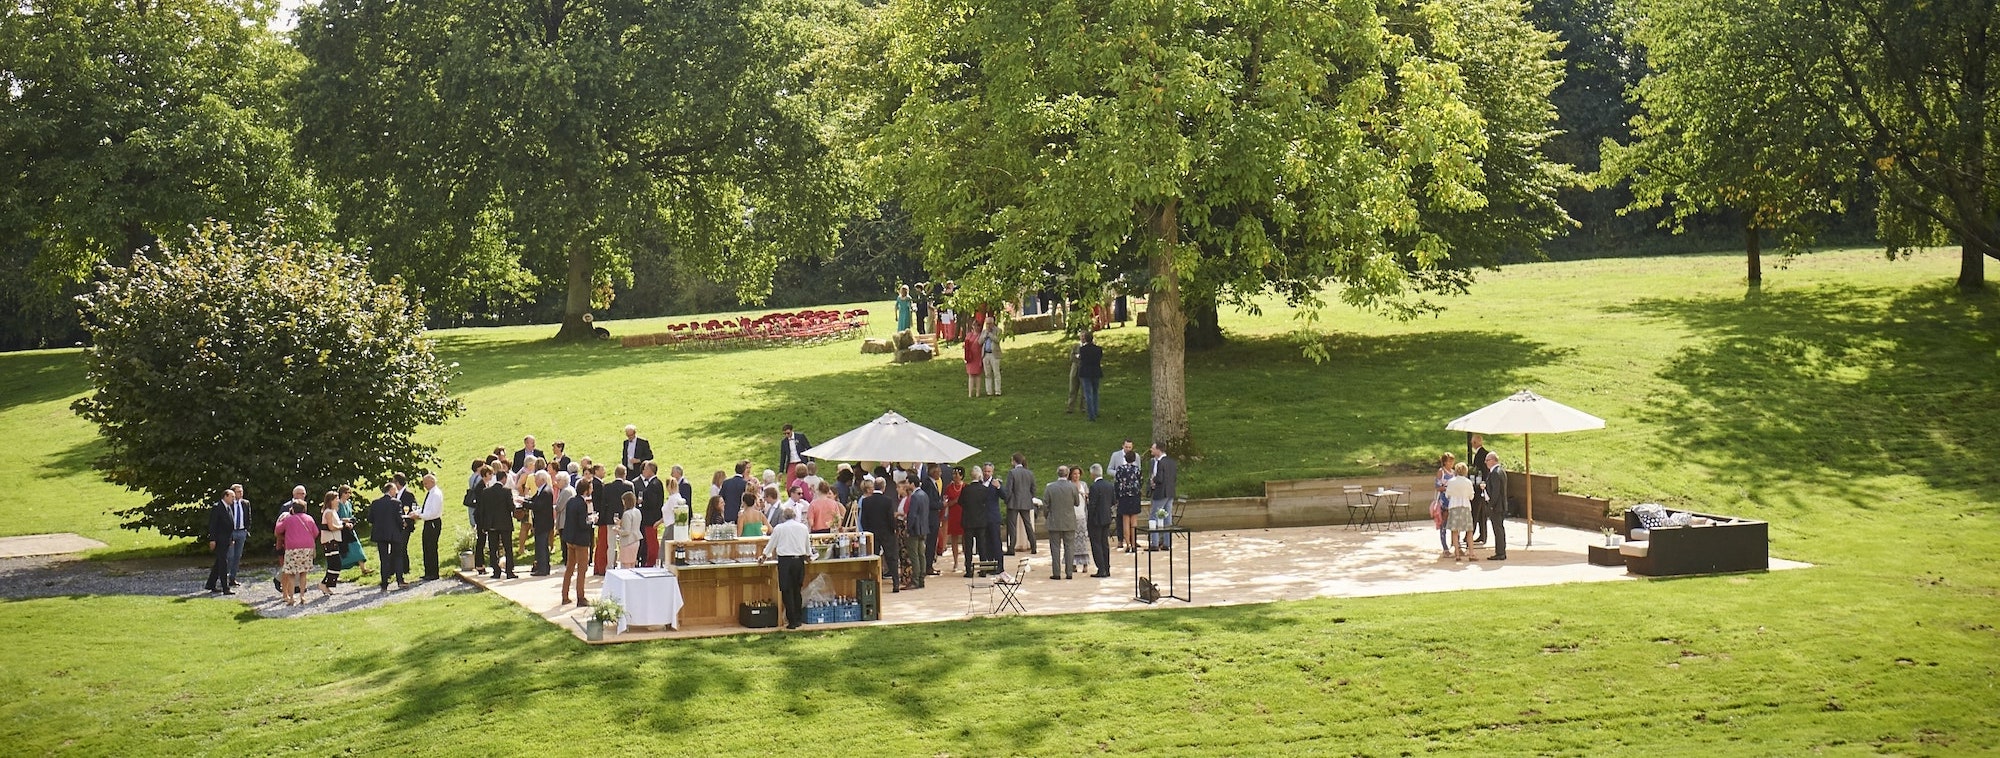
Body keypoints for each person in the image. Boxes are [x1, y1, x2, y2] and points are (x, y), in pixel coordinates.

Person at [760, 509, 813, 629]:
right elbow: (807, 546)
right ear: (794, 516)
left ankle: (792, 620)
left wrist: (764, 556)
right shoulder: (803, 528)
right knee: (797, 590)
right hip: (799, 561)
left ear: (783, 517)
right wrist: (809, 556)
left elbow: (771, 544)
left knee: (786, 591)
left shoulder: (779, 528)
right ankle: (798, 619)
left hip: (785, 561)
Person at [273, 500, 319, 606]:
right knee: (303, 573)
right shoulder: (309, 518)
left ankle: (292, 597)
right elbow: (316, 532)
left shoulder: (289, 519)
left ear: (293, 509)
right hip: (307, 547)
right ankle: (302, 596)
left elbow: (278, 529)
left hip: (292, 548)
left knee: (291, 573)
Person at [474, 465, 518, 579]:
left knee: (493, 549)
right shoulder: (506, 491)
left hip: (492, 524)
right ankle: (509, 571)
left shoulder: (486, 492)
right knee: (508, 548)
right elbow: (511, 507)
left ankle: (496, 571)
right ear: (504, 479)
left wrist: (484, 524)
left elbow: (482, 509)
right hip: (505, 524)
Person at [366, 483, 410, 590]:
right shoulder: (396, 503)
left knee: (383, 559)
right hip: (394, 533)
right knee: (398, 556)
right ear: (390, 490)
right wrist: (403, 524)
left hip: (380, 534)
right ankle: (400, 580)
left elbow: (370, 519)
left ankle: (384, 583)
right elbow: (399, 518)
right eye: (394, 490)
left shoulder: (375, 503)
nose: (396, 492)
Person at [858, 478, 899, 591]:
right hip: (886, 533)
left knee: (873, 558)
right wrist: (893, 529)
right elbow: (890, 518)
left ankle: (874, 583)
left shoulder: (866, 501)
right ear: (884, 487)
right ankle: (896, 583)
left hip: (872, 533)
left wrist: (867, 531)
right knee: (891, 558)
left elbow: (863, 520)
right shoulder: (887, 501)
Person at [561, 478, 595, 606]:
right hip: (581, 540)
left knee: (569, 568)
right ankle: (580, 597)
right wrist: (591, 521)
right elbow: (582, 524)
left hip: (570, 539)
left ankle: (565, 595)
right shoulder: (582, 504)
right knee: (582, 569)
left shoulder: (571, 501)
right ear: (586, 490)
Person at [596, 465, 633, 575]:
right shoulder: (629, 486)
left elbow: (603, 504)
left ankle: (610, 566)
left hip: (610, 518)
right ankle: (623, 566)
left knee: (611, 545)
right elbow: (632, 502)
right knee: (624, 543)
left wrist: (603, 518)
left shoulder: (607, 487)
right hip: (625, 518)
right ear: (624, 474)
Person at [1042, 465, 1079, 579]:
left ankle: (1056, 573)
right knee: (1069, 547)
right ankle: (1069, 573)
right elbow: (1077, 502)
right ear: (1067, 474)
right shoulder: (1072, 487)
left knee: (1055, 547)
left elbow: (1045, 505)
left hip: (1054, 520)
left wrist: (1047, 515)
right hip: (1069, 521)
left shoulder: (1050, 487)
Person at [204, 487, 238, 594]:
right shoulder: (217, 507)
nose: (234, 499)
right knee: (223, 563)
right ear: (226, 496)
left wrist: (231, 538)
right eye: (232, 497)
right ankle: (225, 588)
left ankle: (210, 584)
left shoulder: (228, 507)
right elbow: (213, 524)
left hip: (227, 539)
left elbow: (230, 525)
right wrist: (212, 539)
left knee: (219, 562)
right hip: (219, 540)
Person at [957, 470, 990, 576]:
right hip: (980, 521)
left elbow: (960, 502)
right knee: (982, 546)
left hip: (969, 521)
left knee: (968, 547)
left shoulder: (966, 489)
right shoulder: (984, 490)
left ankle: (968, 569)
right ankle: (983, 569)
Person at [1086, 464, 1116, 577]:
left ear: (1093, 474)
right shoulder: (1109, 485)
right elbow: (1113, 501)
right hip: (1106, 517)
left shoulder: (1094, 487)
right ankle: (1107, 568)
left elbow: (1092, 505)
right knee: (1105, 543)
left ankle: (1101, 568)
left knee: (1096, 544)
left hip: (1096, 519)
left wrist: (1090, 518)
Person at [902, 476, 932, 588]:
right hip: (923, 528)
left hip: (915, 529)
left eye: (907, 482)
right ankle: (921, 579)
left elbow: (912, 515)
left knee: (914, 555)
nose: (906, 485)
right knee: (921, 554)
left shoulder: (914, 496)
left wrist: (908, 528)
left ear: (912, 484)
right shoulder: (924, 495)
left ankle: (915, 580)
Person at [1004, 453, 1036, 555]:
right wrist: (1029, 497)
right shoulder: (1029, 473)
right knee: (1028, 525)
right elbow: (1033, 488)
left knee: (1012, 526)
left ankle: (1011, 548)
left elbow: (1009, 489)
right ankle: (1033, 546)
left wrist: (1006, 499)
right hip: (1026, 502)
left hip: (1013, 502)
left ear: (1014, 461)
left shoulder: (1012, 473)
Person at [1147, 442, 1178, 550]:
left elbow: (1159, 479)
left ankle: (1154, 543)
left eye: (1153, 448)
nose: (1151, 450)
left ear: (1158, 450)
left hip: (1161, 493)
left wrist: (1153, 480)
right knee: (1167, 517)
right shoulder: (1172, 462)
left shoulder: (1160, 462)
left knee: (1154, 517)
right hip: (1170, 492)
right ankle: (1167, 543)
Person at [416, 473, 444, 580]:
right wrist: (418, 512)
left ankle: (433, 573)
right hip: (428, 522)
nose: (425, 486)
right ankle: (428, 571)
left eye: (426, 483)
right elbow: (426, 509)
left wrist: (419, 516)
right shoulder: (430, 493)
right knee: (426, 547)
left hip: (433, 522)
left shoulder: (436, 494)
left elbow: (433, 513)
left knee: (431, 547)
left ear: (432, 482)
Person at [1445, 462, 1476, 561]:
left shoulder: (1451, 481)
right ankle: (1471, 554)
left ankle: (1457, 554)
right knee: (1469, 530)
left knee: (1455, 531)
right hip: (1465, 506)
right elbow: (1471, 496)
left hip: (1454, 506)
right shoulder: (1468, 482)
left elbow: (1447, 495)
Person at [1113, 448, 1142, 552]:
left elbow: (1116, 483)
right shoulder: (1137, 470)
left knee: (1125, 521)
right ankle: (1134, 544)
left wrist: (1116, 497)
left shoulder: (1120, 469)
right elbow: (1140, 482)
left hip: (1123, 497)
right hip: (1134, 496)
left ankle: (1128, 544)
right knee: (1134, 521)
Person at [635, 462, 664, 567]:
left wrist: (642, 502)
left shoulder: (653, 485)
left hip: (651, 518)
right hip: (652, 517)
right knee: (650, 540)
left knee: (652, 542)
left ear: (651, 471)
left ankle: (651, 562)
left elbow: (652, 502)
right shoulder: (656, 483)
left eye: (646, 469)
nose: (644, 471)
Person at [528, 471, 555, 575]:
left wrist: (524, 503)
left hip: (543, 523)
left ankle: (542, 569)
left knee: (541, 546)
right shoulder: (542, 490)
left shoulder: (545, 491)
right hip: (541, 523)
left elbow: (537, 506)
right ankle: (544, 568)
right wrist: (524, 500)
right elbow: (533, 500)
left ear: (542, 480)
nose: (535, 481)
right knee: (542, 546)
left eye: (536, 479)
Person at [1484, 452, 1510, 561]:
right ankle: (1500, 551)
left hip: (1497, 506)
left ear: (1493, 460)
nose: (1486, 463)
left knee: (1498, 529)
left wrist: (1491, 505)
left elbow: (1495, 492)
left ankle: (1500, 552)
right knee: (1499, 528)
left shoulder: (1495, 473)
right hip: (1501, 505)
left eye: (1487, 460)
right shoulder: (1501, 471)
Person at [1467, 434, 1492, 545]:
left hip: (1480, 487)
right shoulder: (1481, 454)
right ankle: (1482, 534)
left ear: (1475, 443)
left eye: (1473, 442)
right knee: (1481, 512)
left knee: (1477, 510)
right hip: (1480, 485)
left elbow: (1481, 471)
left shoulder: (1481, 454)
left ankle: (1473, 534)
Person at [318, 492, 344, 595]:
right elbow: (331, 527)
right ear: (330, 501)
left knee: (334, 564)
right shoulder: (328, 512)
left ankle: (326, 584)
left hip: (334, 540)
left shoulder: (333, 511)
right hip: (330, 541)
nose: (338, 501)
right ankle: (324, 584)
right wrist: (342, 527)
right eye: (336, 499)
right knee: (335, 563)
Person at [1433, 453, 1458, 557]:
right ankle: (1445, 548)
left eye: (1452, 461)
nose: (1451, 463)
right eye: (1449, 461)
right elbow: (1438, 486)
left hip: (1453, 500)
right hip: (1444, 500)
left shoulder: (1454, 472)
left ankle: (1456, 545)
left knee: (1455, 524)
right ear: (1444, 462)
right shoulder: (1441, 472)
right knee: (1444, 523)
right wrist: (1448, 488)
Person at [1067, 465, 1090, 576]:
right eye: (1074, 474)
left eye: (1078, 474)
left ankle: (1085, 563)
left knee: (1083, 540)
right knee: (1072, 541)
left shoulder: (1083, 485)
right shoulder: (1068, 485)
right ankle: (1073, 563)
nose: (1076, 476)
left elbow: (1088, 497)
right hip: (1072, 514)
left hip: (1082, 515)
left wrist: (1085, 495)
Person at [465, 459, 487, 572]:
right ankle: (480, 563)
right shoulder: (479, 479)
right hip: (479, 509)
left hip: (474, 506)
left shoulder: (471, 477)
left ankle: (479, 563)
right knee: (481, 538)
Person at [1076, 331, 1104, 421]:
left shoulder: (1083, 349)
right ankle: (1095, 411)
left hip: (1086, 372)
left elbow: (1082, 359)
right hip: (1096, 371)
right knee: (1095, 392)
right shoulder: (1098, 349)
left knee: (1088, 394)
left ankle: (1091, 415)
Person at [615, 491, 642, 569]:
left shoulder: (627, 514)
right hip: (636, 541)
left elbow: (626, 531)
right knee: (632, 565)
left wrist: (618, 531)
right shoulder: (637, 511)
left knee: (625, 566)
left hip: (628, 542)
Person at [981, 321, 1002, 396]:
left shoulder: (998, 330)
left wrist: (990, 334)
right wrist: (985, 336)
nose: (988, 325)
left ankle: (998, 391)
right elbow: (979, 342)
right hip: (986, 354)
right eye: (987, 323)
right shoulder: (984, 331)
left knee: (996, 373)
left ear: (993, 324)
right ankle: (989, 391)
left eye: (989, 323)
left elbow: (997, 340)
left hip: (994, 355)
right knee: (987, 374)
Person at [963, 329, 985, 398]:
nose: (976, 327)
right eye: (974, 325)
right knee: (971, 375)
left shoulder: (981, 335)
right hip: (970, 356)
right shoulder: (969, 335)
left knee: (978, 375)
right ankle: (970, 393)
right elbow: (965, 344)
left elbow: (981, 343)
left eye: (977, 325)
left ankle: (978, 393)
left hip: (978, 356)